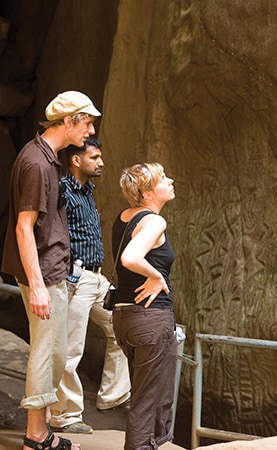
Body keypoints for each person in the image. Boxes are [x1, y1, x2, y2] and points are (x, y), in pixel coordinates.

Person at [2, 90, 101, 450]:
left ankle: (41, 432)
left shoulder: (46, 158)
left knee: (55, 352)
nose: (90, 130)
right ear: (68, 121)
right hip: (43, 272)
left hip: (53, 270)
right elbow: (23, 228)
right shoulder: (38, 164)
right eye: (87, 122)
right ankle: (36, 437)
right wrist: (39, 285)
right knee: (47, 353)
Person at [49, 137, 131, 434]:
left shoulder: (87, 191)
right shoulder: (63, 191)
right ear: (76, 160)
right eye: (95, 157)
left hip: (97, 278)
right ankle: (65, 415)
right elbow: (49, 233)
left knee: (121, 329)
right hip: (77, 277)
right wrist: (67, 273)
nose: (101, 162)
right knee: (70, 349)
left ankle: (113, 395)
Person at [111, 162, 177, 450]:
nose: (170, 180)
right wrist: (157, 275)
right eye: (164, 178)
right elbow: (130, 258)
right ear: (148, 192)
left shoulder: (125, 217)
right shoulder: (154, 221)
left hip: (125, 317)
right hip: (150, 319)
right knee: (148, 401)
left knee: (143, 395)